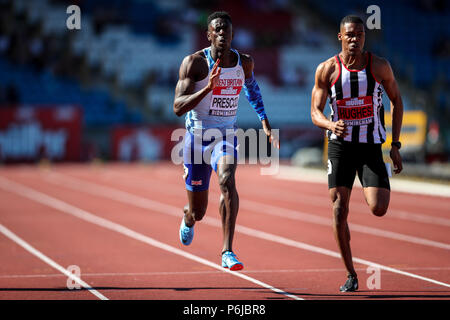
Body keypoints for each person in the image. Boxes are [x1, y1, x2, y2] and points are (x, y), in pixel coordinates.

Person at [173, 11, 279, 271]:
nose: (222, 34)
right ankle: (188, 217)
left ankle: (227, 251)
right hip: (197, 139)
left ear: (233, 35)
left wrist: (264, 119)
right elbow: (177, 107)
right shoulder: (195, 63)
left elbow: (252, 88)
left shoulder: (244, 63)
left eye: (226, 31)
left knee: (226, 180)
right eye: (217, 30)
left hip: (226, 135)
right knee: (198, 211)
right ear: (208, 34)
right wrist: (207, 89)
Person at [310, 15, 404, 292]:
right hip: (340, 145)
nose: (355, 39)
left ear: (365, 37)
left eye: (360, 35)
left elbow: (397, 100)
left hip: (370, 146)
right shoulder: (327, 70)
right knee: (339, 208)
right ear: (340, 37)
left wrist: (395, 145)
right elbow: (314, 112)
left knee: (378, 208)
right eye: (350, 35)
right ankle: (351, 273)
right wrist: (330, 124)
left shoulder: (379, 66)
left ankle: (371, 185)